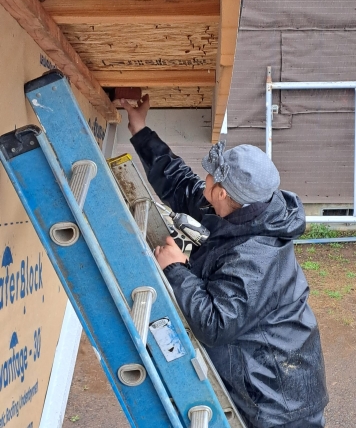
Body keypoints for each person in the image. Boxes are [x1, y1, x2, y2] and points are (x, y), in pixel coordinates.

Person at [120, 95, 329, 428]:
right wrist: (140, 128)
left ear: (220, 193)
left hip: (278, 401)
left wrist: (176, 269)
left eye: (210, 176)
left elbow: (216, 324)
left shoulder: (256, 256)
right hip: (267, 373)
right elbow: (179, 184)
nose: (204, 178)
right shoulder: (243, 207)